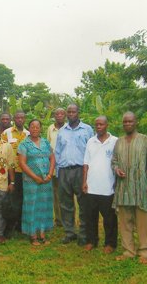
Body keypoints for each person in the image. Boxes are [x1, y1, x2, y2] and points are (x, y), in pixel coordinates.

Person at [112, 112, 147, 264]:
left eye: (130, 121)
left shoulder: (144, 140)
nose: (127, 124)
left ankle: (144, 252)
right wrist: (116, 169)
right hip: (124, 189)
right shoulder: (119, 141)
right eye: (125, 122)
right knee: (124, 222)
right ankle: (128, 251)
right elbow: (114, 161)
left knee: (142, 222)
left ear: (136, 122)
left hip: (141, 188)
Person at [55, 104, 93, 245]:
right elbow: (57, 152)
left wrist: (88, 173)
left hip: (80, 170)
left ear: (78, 113)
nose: (71, 114)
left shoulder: (87, 130)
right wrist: (57, 171)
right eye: (68, 112)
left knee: (83, 203)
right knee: (65, 204)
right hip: (64, 171)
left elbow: (91, 151)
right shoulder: (62, 131)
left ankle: (83, 233)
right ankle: (69, 232)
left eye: (73, 112)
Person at [82, 116, 118, 253]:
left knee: (109, 218)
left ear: (107, 125)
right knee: (90, 217)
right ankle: (92, 241)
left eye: (101, 124)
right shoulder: (91, 141)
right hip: (92, 186)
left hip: (108, 188)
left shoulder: (115, 141)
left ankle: (110, 243)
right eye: (96, 125)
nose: (98, 127)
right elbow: (86, 163)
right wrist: (84, 181)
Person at [18, 119, 55, 245]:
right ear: (29, 129)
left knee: (44, 206)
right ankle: (33, 234)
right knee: (32, 206)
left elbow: (52, 157)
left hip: (46, 181)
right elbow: (22, 163)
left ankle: (43, 232)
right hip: (31, 182)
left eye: (37, 127)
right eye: (32, 127)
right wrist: (35, 177)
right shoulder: (24, 144)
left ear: (40, 129)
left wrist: (50, 173)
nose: (35, 129)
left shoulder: (45, 142)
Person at [1, 110, 30, 236]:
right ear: (14, 119)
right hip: (11, 172)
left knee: (23, 199)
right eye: (17, 117)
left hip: (25, 172)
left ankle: (20, 225)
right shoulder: (6, 133)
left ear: (25, 119)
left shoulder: (28, 134)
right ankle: (8, 227)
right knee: (10, 200)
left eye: (22, 118)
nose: (19, 120)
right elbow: (2, 151)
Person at [46, 108, 66, 227]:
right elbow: (48, 146)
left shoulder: (68, 128)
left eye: (61, 114)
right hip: (53, 166)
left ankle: (67, 218)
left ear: (65, 116)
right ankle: (58, 219)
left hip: (65, 166)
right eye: (57, 114)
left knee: (66, 193)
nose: (59, 116)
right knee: (55, 193)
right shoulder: (50, 128)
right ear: (54, 116)